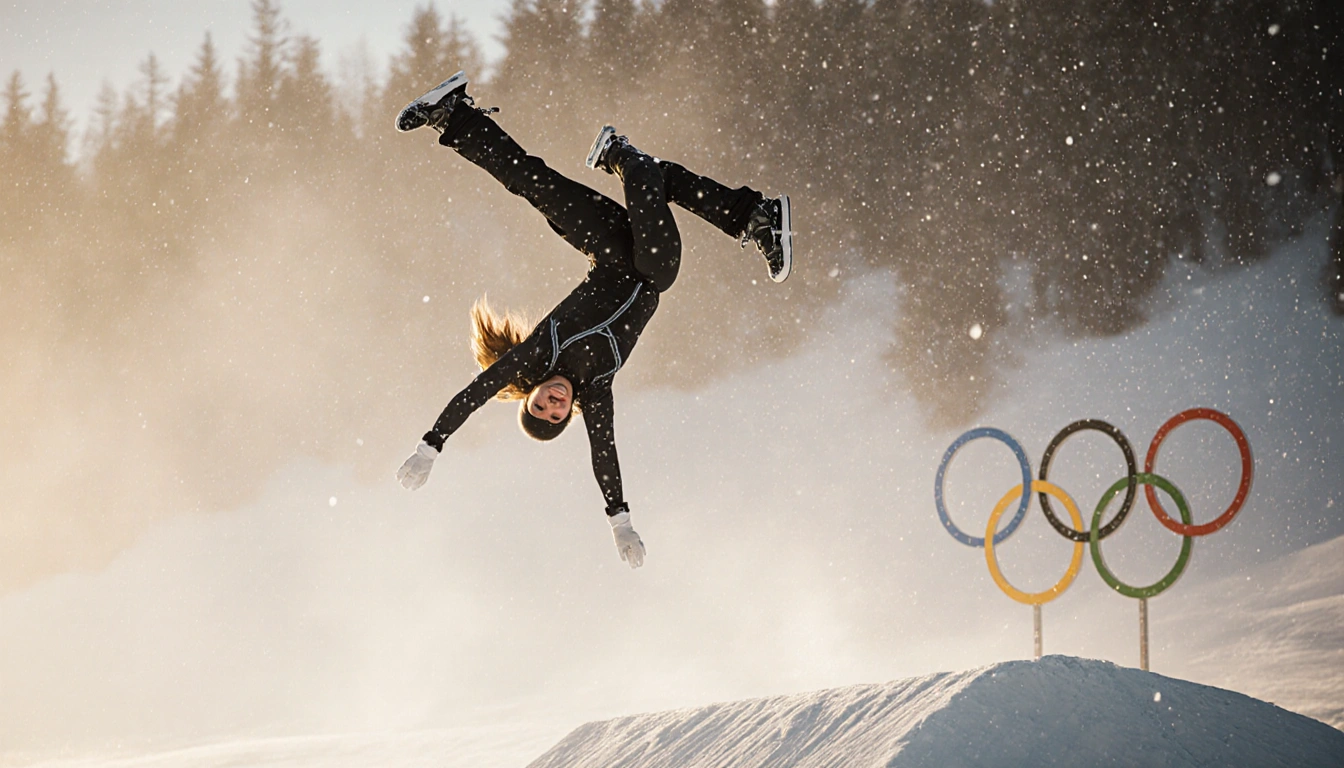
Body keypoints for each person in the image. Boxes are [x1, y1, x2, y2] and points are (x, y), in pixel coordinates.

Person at [393, 72, 793, 569]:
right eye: (557, 415)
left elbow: (480, 389)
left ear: (534, 392)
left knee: (531, 182)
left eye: (540, 406)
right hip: (653, 267)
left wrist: (431, 445)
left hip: (605, 247)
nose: (554, 404)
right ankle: (636, 163)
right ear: (569, 413)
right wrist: (619, 522)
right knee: (654, 184)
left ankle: (451, 115)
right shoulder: (596, 388)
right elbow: (604, 456)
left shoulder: (538, 352)